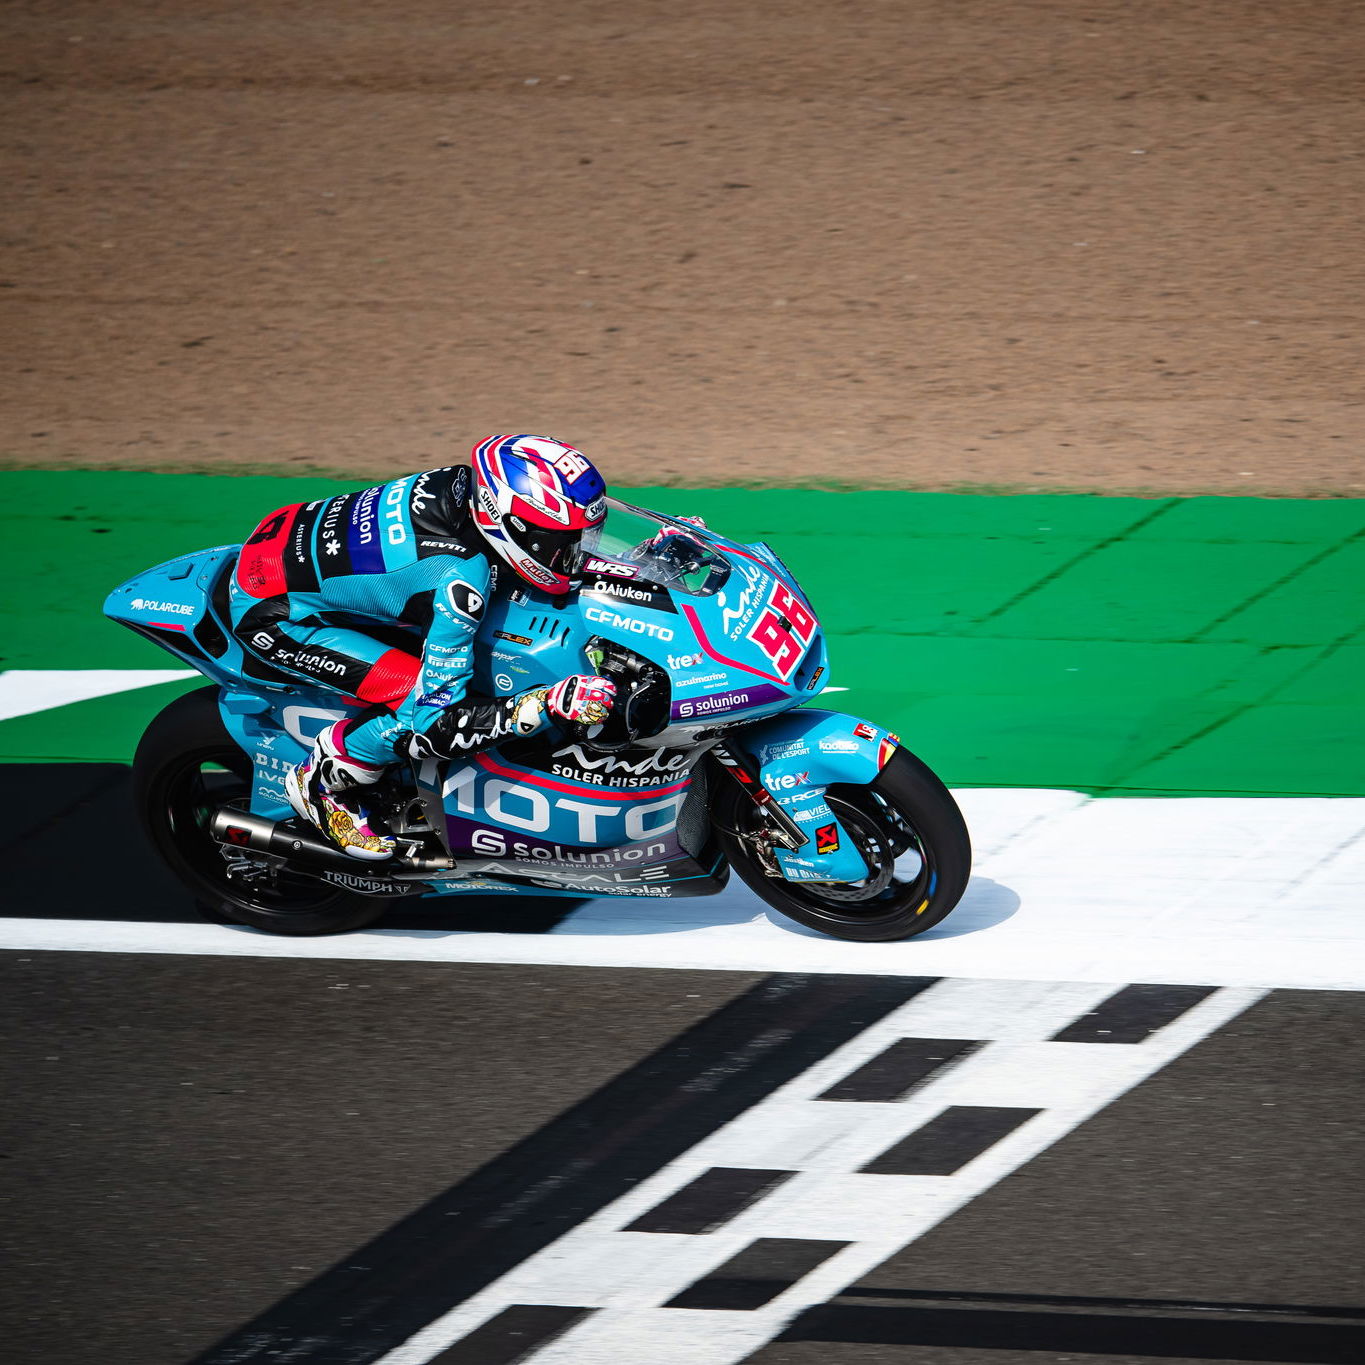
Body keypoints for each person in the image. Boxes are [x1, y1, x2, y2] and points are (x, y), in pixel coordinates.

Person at [228, 434, 619, 860]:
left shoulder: (465, 484)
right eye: (564, 543)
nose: (577, 553)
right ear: (511, 524)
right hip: (278, 614)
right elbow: (434, 724)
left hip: (287, 541)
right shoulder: (457, 583)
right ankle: (321, 780)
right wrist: (548, 703)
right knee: (413, 700)